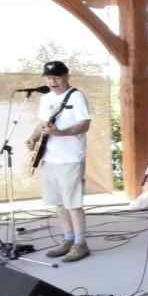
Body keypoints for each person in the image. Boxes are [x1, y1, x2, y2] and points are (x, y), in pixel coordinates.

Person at [25, 61, 92, 263]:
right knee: (59, 203)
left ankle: (80, 244)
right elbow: (42, 123)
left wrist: (61, 133)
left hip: (70, 158)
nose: (52, 81)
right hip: (49, 157)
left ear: (66, 76)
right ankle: (68, 239)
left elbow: (84, 124)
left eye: (56, 77)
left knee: (73, 204)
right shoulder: (46, 98)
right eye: (48, 77)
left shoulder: (77, 96)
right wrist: (33, 138)